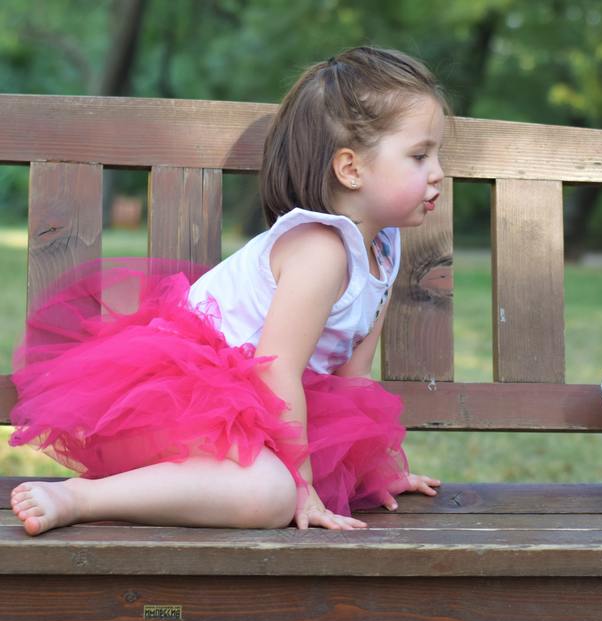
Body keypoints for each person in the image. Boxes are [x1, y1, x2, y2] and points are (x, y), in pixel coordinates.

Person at [8, 46, 445, 536]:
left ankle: (224, 482)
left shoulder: (383, 247)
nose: (438, 173)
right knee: (274, 495)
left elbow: (353, 379)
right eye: (419, 155)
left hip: (249, 413)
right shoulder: (320, 251)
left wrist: (377, 470)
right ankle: (78, 498)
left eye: (436, 155)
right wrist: (302, 485)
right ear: (351, 169)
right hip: (174, 405)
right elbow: (278, 374)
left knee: (276, 485)